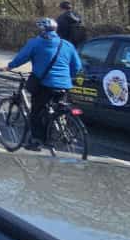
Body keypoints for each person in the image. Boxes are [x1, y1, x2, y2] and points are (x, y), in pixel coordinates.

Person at [7, 17, 82, 151]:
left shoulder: (35, 43)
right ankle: (60, 128)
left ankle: (37, 141)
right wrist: (66, 77)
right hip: (64, 85)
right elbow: (77, 66)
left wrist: (9, 67)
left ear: (41, 30)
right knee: (57, 107)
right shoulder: (67, 45)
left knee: (36, 112)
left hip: (44, 84)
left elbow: (22, 58)